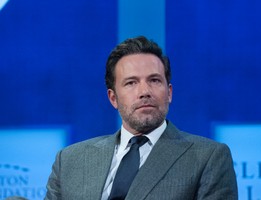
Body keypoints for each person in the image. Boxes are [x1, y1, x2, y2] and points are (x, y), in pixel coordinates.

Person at [45, 36, 238, 200]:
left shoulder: (208, 158)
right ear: (113, 98)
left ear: (169, 93)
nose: (144, 92)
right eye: (131, 83)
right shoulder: (70, 160)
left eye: (154, 80)